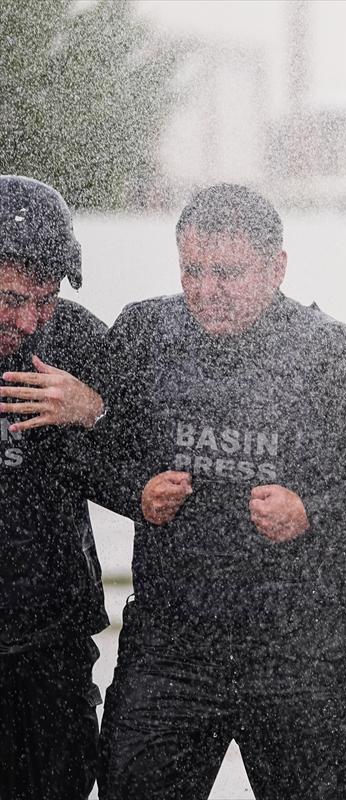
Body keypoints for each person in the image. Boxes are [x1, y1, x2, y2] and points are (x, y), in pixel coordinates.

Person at [96, 183, 346, 800]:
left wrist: (313, 511)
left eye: (227, 273)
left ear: (277, 266)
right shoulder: (142, 333)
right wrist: (135, 491)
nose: (206, 291)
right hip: (173, 645)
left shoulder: (343, 354)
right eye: (192, 270)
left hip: (307, 651)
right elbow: (88, 445)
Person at [0, 176, 109, 800]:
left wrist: (95, 410)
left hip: (51, 639)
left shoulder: (73, 341)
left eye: (45, 300)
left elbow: (148, 453)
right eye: (12, 299)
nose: (28, 319)